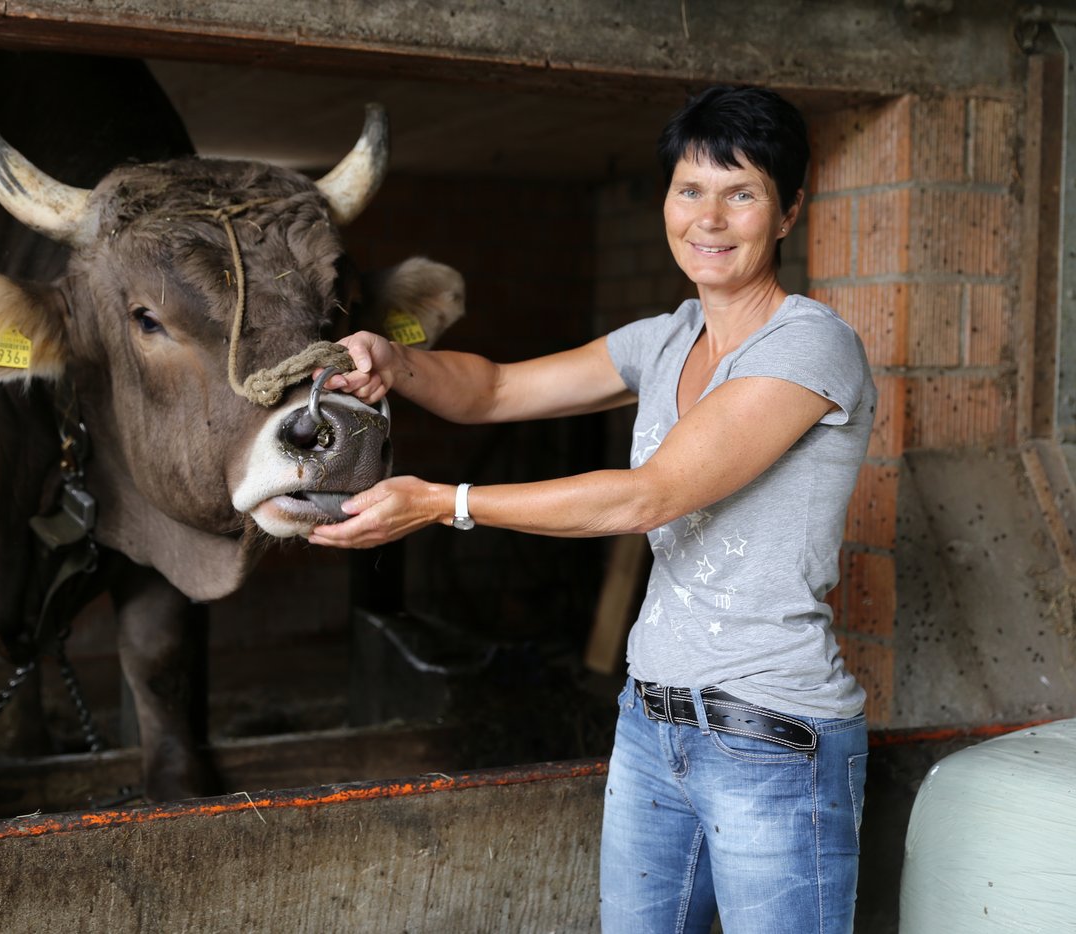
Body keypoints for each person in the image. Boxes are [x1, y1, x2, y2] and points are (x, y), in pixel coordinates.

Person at [309, 85, 875, 934]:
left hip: (771, 738)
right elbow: (495, 390)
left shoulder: (810, 344)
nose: (709, 218)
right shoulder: (666, 337)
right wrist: (395, 362)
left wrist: (444, 504)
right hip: (651, 725)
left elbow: (650, 495)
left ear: (789, 212)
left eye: (742, 193)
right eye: (690, 189)